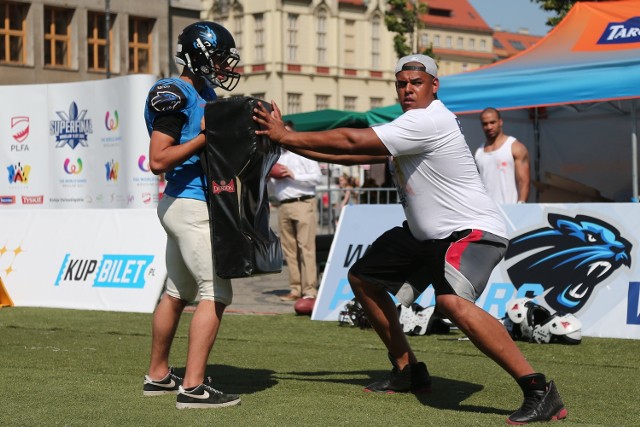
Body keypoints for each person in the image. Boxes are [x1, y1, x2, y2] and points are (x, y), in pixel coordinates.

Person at [253, 54, 567, 424]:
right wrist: (283, 143)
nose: (407, 89)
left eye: (415, 83)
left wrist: (286, 135)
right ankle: (407, 370)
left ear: (434, 86)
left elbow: (352, 140)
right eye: (401, 83)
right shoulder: (408, 123)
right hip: (426, 236)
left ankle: (539, 390)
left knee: (451, 304)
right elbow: (350, 156)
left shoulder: (428, 119)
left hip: (473, 231)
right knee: (363, 278)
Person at [142, 21, 242, 409]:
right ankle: (194, 387)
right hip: (189, 202)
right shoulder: (175, 92)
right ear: (199, 53)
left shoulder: (204, 91)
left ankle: (158, 375)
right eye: (217, 56)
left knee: (176, 292)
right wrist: (206, 137)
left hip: (189, 202)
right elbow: (158, 158)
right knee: (215, 292)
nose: (222, 65)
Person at [269, 120, 323, 302]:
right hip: (283, 205)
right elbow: (271, 187)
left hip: (303, 203)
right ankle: (295, 289)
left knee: (306, 248)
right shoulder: (276, 157)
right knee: (289, 250)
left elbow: (317, 177)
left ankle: (310, 290)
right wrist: (269, 177)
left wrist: (294, 175)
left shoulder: (304, 154)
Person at [474, 107, 531, 204]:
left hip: (510, 210)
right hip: (487, 212)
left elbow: (524, 182)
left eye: (492, 122)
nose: (489, 127)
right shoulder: (479, 152)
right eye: (485, 124)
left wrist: (521, 206)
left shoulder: (515, 147)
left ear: (500, 122)